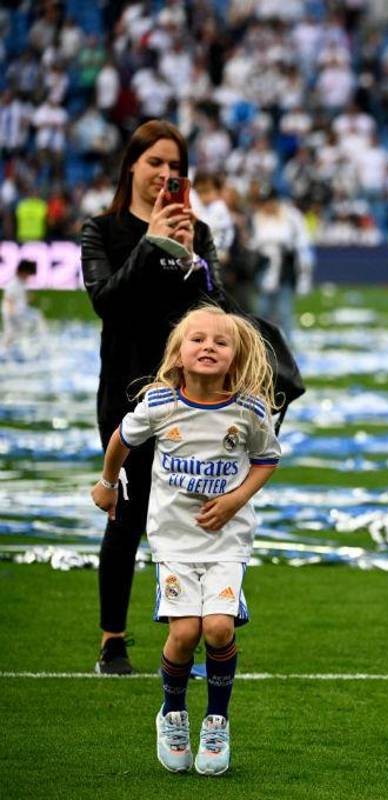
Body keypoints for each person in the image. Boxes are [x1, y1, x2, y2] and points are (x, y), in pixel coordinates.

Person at [90, 305, 281, 776]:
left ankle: (217, 720)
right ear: (178, 353)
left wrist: (235, 499)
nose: (208, 347)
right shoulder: (159, 405)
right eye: (197, 339)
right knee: (183, 634)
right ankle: (173, 713)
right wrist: (108, 483)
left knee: (218, 629)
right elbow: (120, 439)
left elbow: (267, 459)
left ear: (235, 356)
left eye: (220, 341)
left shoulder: (250, 410)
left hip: (227, 541)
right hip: (174, 541)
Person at [80, 120, 228, 675]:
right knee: (127, 515)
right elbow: (107, 303)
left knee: (190, 512)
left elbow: (218, 316)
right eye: (155, 164)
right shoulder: (102, 230)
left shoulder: (200, 231)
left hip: (191, 397)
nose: (166, 176)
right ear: (132, 168)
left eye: (175, 168)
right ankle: (112, 640)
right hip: (124, 388)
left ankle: (185, 635)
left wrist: (193, 259)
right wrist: (150, 246)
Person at [250, 188, 312, 342]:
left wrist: (303, 276)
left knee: (284, 311)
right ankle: (262, 347)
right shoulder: (258, 218)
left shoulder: (291, 217)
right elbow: (253, 243)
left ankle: (287, 348)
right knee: (262, 309)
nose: (267, 206)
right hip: (264, 267)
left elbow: (302, 246)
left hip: (285, 269)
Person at [1, 258, 45, 351]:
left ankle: (37, 343)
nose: (28, 277)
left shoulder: (21, 283)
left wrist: (28, 299)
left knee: (35, 318)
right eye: (28, 274)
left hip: (19, 313)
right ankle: (5, 350)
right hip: (13, 314)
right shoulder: (13, 284)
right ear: (22, 272)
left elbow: (20, 299)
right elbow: (8, 300)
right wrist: (12, 314)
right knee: (11, 334)